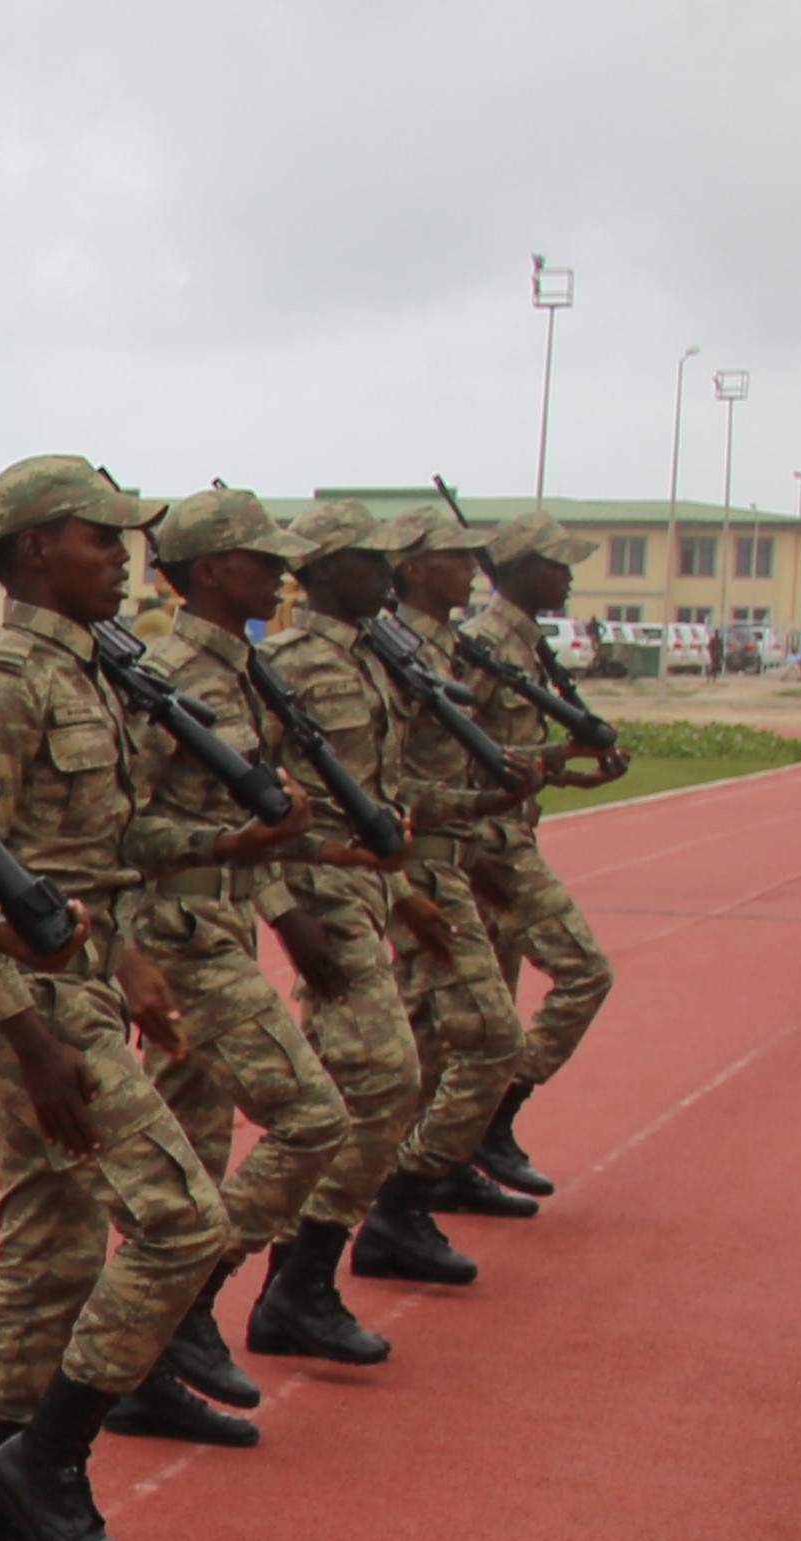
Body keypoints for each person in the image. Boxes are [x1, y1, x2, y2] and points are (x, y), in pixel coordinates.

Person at [0, 458, 285, 1541]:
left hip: (83, 985)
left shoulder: (91, 677)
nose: (122, 554)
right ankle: (50, 1458)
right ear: (31, 551)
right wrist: (31, 1037)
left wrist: (213, 860)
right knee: (177, 1221)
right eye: (94, 536)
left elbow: (96, 860)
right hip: (32, 1008)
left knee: (58, 1251)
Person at [110, 487, 335, 1445]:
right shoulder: (165, 674)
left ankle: (144, 1369)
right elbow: (122, 829)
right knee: (311, 1116)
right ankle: (182, 1307)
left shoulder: (242, 666)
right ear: (206, 570)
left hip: (223, 924)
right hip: (181, 937)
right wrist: (231, 838)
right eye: (259, 557)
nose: (282, 571)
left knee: (197, 1158)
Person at [253, 502, 457, 1331]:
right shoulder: (290, 662)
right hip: (318, 895)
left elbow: (379, 787)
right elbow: (245, 789)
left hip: (362, 886)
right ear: (328, 569)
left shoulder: (372, 658)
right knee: (379, 1087)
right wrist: (283, 909)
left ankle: (297, 1283)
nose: (389, 572)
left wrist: (400, 885)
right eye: (372, 559)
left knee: (359, 1092)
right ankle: (291, 1279)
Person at [364, 506, 545, 1255]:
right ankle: (403, 1192)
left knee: (433, 1044)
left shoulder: (438, 649)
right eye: (453, 556)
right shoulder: (390, 653)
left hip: (454, 853)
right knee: (474, 1041)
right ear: (411, 568)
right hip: (413, 865)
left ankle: (418, 1189)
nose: (473, 568)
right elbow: (385, 782)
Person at [449, 507, 622, 1194]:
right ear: (519, 570)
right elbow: (459, 755)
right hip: (485, 845)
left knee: (487, 1005)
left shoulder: (525, 644)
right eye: (558, 561)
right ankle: (491, 1121)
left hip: (509, 833)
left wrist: (573, 767)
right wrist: (557, 752)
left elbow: (510, 761)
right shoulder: (484, 644)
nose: (570, 574)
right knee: (583, 973)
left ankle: (452, 1157)